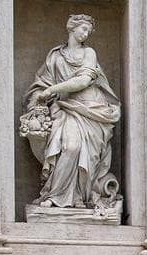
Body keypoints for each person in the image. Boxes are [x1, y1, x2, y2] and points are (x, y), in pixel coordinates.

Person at [21, 14, 122, 213]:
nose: (86, 34)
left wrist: (52, 90)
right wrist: (38, 97)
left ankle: (79, 197)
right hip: (65, 108)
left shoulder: (89, 53)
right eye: (83, 29)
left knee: (85, 153)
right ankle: (55, 195)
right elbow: (41, 84)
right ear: (72, 28)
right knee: (71, 147)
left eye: (89, 31)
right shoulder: (55, 57)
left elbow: (83, 81)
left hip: (92, 109)